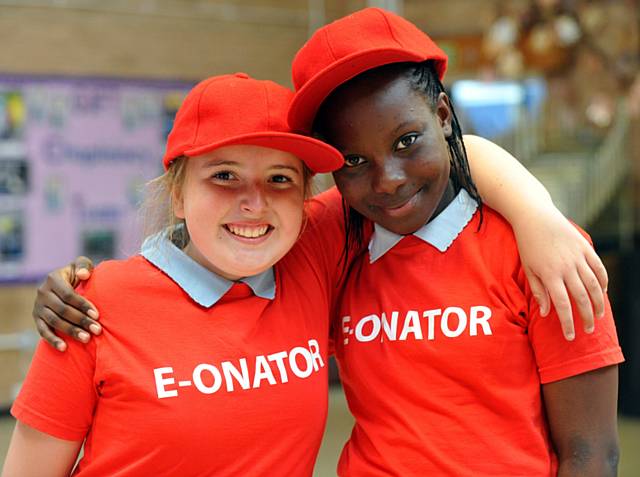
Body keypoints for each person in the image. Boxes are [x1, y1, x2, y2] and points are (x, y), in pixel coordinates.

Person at [285, 8, 623, 476]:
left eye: (406, 142)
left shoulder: (544, 250)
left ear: (443, 115)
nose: (388, 181)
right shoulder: (329, 240)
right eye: (355, 160)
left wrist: (534, 212)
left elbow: (590, 453)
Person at [2, 73, 348, 476]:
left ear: (303, 198)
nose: (255, 203)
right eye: (224, 175)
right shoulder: (91, 305)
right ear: (179, 195)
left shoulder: (311, 264)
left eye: (279, 178)